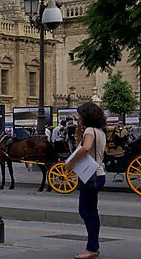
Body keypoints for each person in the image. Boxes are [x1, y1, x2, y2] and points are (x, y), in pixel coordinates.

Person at [70, 102, 108, 259]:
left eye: (80, 116)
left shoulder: (90, 131)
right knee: (90, 211)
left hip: (90, 176)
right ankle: (93, 246)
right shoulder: (99, 131)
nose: (78, 119)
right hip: (99, 175)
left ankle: (92, 248)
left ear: (86, 116)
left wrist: (71, 162)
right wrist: (80, 133)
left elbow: (85, 148)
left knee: (87, 211)